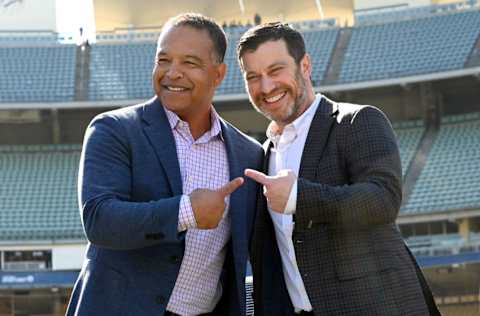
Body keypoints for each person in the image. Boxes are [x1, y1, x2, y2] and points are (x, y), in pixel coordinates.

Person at [237, 22, 441, 316]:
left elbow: (382, 199)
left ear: (304, 65)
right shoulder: (264, 154)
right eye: (253, 76)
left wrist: (298, 197)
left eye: (275, 70)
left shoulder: (357, 121)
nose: (266, 87)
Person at [66, 13, 263, 316]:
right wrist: (187, 212)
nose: (172, 73)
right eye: (163, 60)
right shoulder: (114, 129)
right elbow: (99, 219)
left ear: (219, 74)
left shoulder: (249, 155)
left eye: (190, 63)